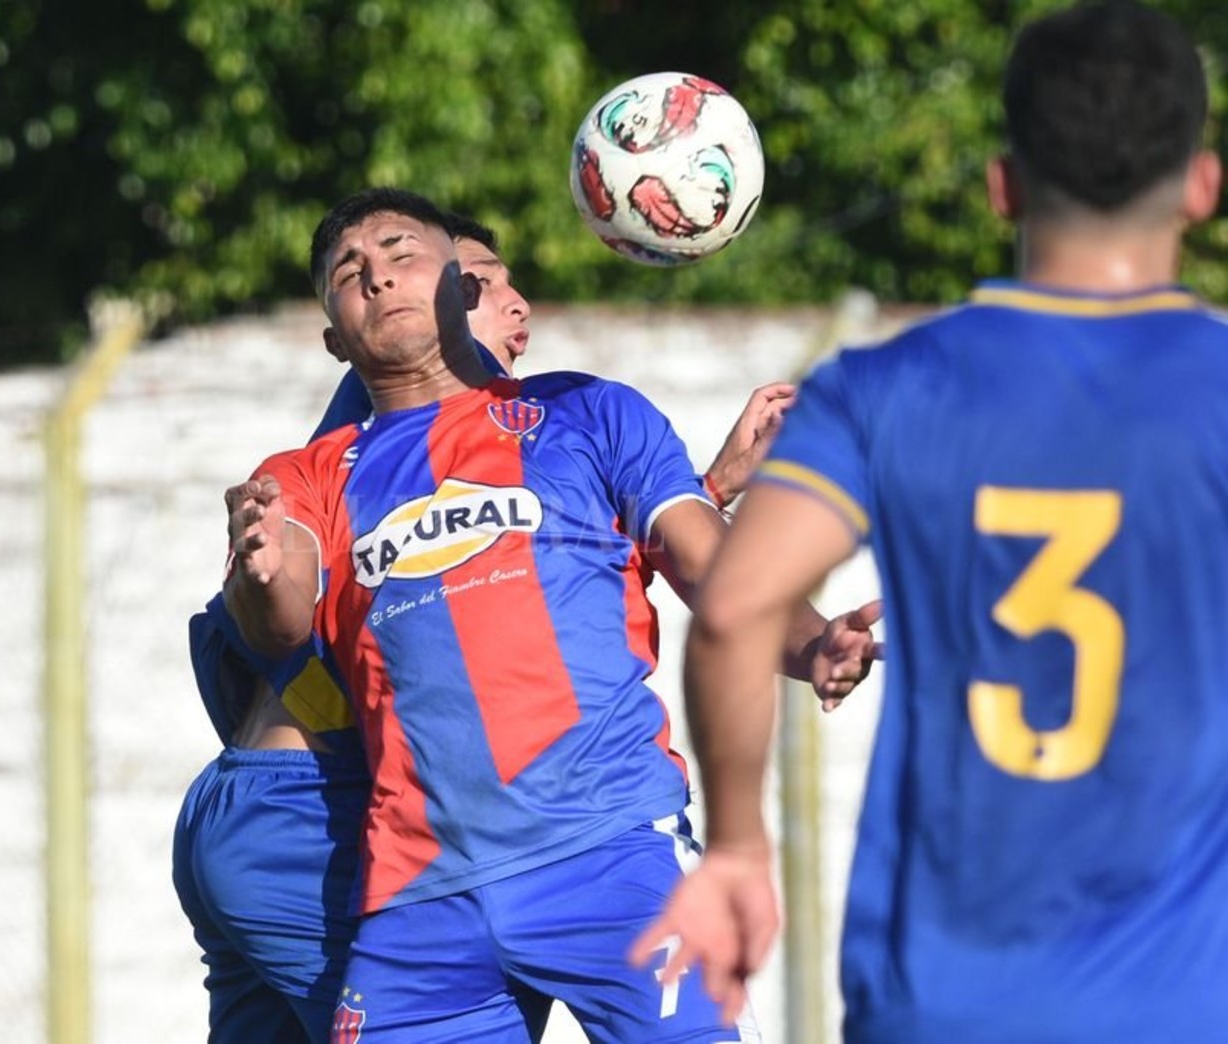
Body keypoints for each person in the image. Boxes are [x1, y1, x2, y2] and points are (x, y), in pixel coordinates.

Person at [636, 4, 1228, 1041]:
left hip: (938, 1001)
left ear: (1001, 186)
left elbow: (732, 612)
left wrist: (734, 850)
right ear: (1202, 184)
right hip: (1182, 999)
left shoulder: (884, 388)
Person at [225, 186, 877, 1042]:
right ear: (332, 337)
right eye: (351, 273)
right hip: (419, 897)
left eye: (400, 252)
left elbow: (707, 563)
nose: (378, 277)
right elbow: (275, 618)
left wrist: (810, 642)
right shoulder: (311, 473)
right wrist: (262, 566)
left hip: (612, 857)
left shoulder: (587, 412)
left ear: (463, 281)